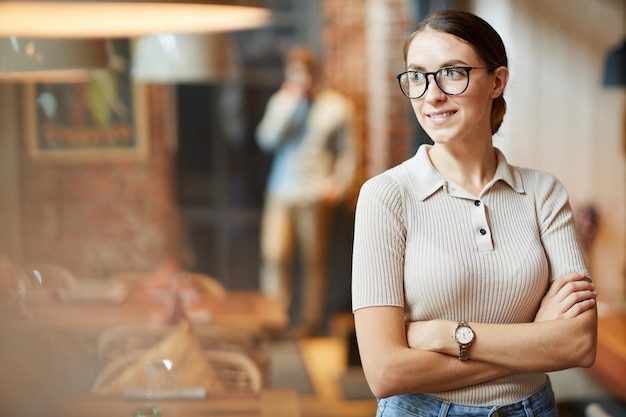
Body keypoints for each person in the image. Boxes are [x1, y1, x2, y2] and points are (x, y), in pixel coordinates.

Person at [351, 9, 597, 417]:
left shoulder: (543, 193)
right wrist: (536, 340)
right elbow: (385, 372)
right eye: (416, 76)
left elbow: (579, 344)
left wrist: (450, 336)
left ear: (497, 81)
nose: (431, 96)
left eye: (452, 72)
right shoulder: (385, 197)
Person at [256, 46, 358, 337]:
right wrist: (291, 106)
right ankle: (275, 318)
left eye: (307, 73)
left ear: (316, 74)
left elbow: (349, 152)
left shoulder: (337, 105)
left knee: (314, 260)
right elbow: (266, 140)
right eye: (296, 73)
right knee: (274, 254)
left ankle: (309, 320)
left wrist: (338, 186)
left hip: (314, 193)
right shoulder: (281, 102)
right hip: (281, 189)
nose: (302, 79)